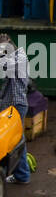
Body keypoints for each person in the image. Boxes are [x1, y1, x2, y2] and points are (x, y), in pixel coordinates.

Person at [0, 35, 31, 185]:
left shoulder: (18, 59)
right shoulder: (17, 57)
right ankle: (22, 175)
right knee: (17, 140)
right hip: (14, 104)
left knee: (14, 141)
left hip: (15, 105)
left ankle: (22, 175)